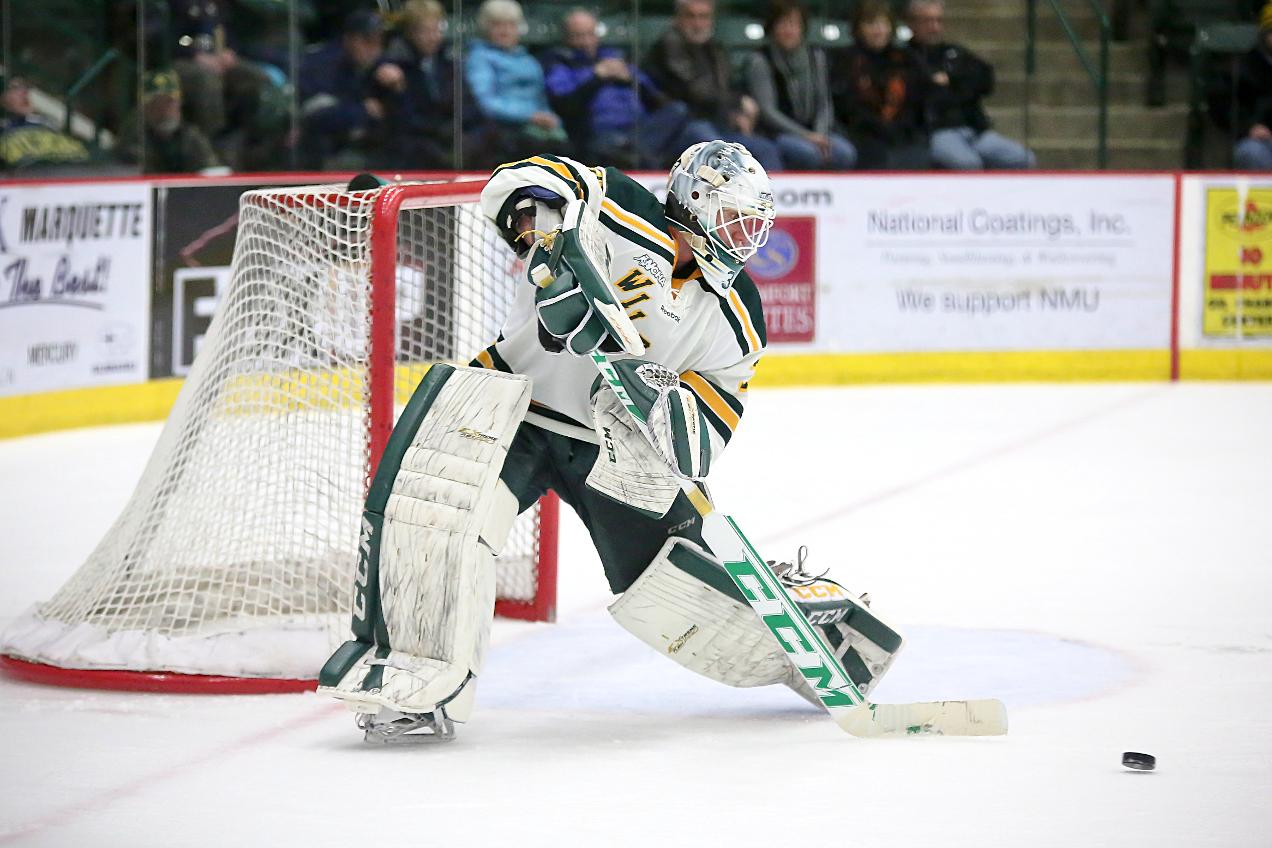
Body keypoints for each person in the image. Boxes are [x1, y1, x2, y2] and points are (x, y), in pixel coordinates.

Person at [316, 141, 904, 741]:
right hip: (513, 407)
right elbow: (527, 181)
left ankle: (814, 633)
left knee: (684, 588)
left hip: (618, 445)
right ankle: (413, 689)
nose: (746, 236)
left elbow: (705, 437)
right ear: (695, 202)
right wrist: (549, 249)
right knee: (438, 528)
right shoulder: (618, 205)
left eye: (754, 224)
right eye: (735, 217)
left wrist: (660, 398)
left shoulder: (740, 310)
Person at [541, 8, 715, 168]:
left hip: (643, 129)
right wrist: (597, 77)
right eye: (578, 36)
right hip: (603, 133)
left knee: (684, 116)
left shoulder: (614, 56)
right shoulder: (560, 62)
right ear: (566, 37)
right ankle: (645, 159)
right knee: (615, 148)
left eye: (590, 34)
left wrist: (630, 79)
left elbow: (655, 98)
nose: (586, 42)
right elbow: (565, 105)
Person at [643, 0, 785, 172]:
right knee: (719, 150)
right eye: (691, 16)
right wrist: (738, 102)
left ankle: (769, 190)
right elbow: (695, 92)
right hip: (683, 126)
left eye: (704, 17)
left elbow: (726, 88)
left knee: (765, 149)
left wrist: (736, 112)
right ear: (678, 19)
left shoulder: (715, 48)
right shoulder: (669, 45)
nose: (697, 24)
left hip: (717, 122)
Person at [905, 0, 1035, 170]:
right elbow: (925, 91)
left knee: (1023, 158)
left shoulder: (954, 52)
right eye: (927, 21)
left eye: (938, 20)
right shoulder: (904, 57)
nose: (934, 27)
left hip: (974, 128)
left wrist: (951, 81)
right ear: (912, 23)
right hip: (936, 131)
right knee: (968, 164)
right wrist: (957, 85)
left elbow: (984, 79)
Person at [745, 0, 857, 170]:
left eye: (794, 24)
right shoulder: (760, 61)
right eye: (782, 24)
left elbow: (824, 102)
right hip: (778, 133)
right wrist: (806, 136)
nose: (789, 30)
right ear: (772, 27)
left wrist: (819, 134)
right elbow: (768, 112)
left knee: (845, 153)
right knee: (808, 154)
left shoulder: (816, 57)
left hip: (816, 131)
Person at [381, 0, 486, 169]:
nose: (434, 37)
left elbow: (469, 106)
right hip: (419, 144)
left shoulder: (447, 60)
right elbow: (404, 120)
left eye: (437, 29)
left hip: (451, 136)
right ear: (410, 32)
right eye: (426, 31)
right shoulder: (395, 66)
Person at [465, 0, 571, 162]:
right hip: (503, 129)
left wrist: (550, 119)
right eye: (498, 25)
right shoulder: (479, 58)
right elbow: (485, 103)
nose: (505, 31)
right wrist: (529, 116)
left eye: (511, 25)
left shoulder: (529, 61)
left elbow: (540, 100)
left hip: (537, 127)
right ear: (486, 28)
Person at [830, 0, 930, 170]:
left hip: (904, 134)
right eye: (871, 24)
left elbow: (918, 100)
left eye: (883, 24)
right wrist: (877, 126)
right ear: (859, 28)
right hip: (861, 135)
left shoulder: (907, 59)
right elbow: (846, 106)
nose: (878, 30)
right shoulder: (846, 60)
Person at [297, 10, 400, 170]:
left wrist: (399, 88)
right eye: (368, 41)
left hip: (372, 152)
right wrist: (362, 111)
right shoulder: (323, 67)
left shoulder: (383, 69)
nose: (375, 49)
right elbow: (315, 116)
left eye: (381, 42)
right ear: (349, 40)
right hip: (327, 154)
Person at [117, 69, 220, 174]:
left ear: (179, 104)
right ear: (144, 108)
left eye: (169, 102)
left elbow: (211, 171)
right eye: (156, 102)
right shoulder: (134, 138)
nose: (164, 109)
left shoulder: (192, 138)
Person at [0, 74, 92, 171]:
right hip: (30, 177)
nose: (24, 92)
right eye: (15, 88)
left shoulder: (47, 123)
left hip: (75, 174)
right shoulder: (4, 130)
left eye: (25, 87)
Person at [1233, 2, 1272, 170]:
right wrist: (1249, 126)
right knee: (1250, 152)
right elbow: (1229, 106)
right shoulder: (1247, 66)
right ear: (1264, 35)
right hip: (1263, 141)